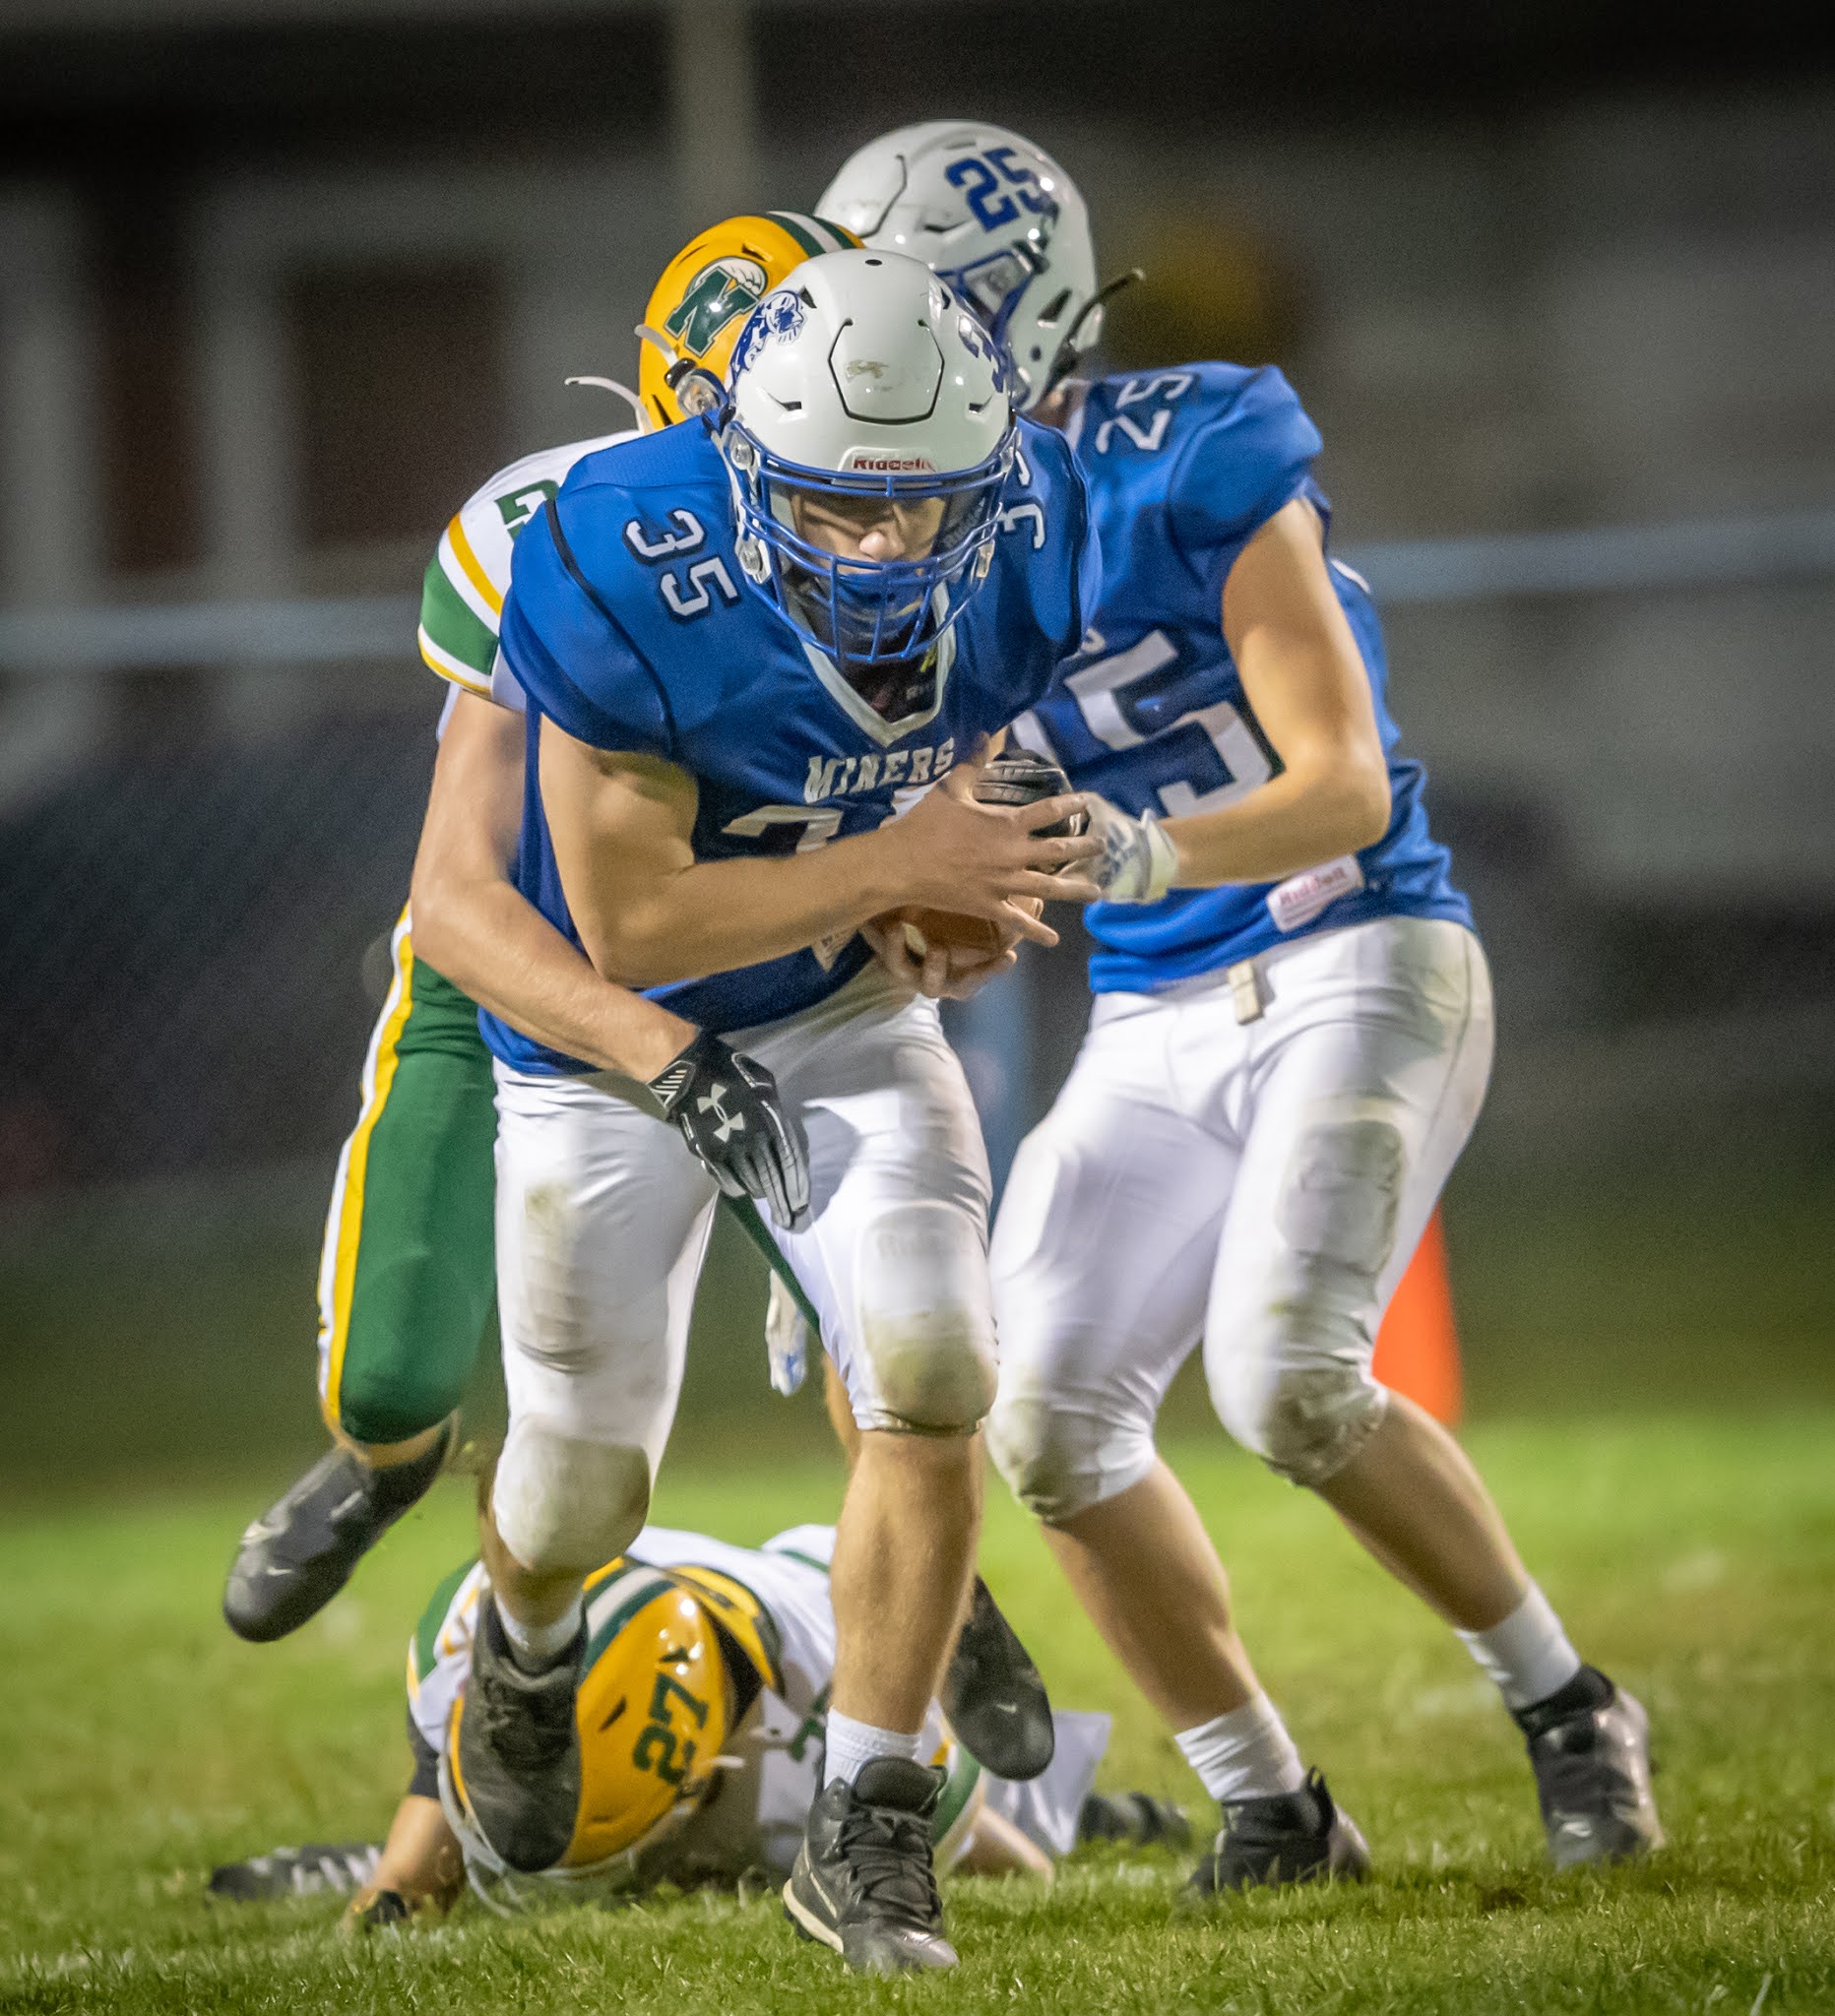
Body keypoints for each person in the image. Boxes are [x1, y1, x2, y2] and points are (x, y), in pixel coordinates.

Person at [820, 122, 1662, 1884]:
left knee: (1284, 1377)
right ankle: (1271, 1802)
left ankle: (1564, 1700)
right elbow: (962, 857)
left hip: (1355, 947)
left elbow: (1342, 783)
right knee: (1042, 1418)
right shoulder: (904, 547)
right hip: (1152, 1013)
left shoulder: (1183, 448)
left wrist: (1126, 855)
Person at [461, 246, 1102, 1975]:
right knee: (581, 1482)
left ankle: (871, 1821)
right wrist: (899, 857)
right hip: (605, 1049)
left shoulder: (1037, 529)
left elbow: (952, 745)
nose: (883, 551)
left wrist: (948, 887)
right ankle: (521, 1642)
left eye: (921, 514)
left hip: (830, 1010)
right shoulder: (614, 553)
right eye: (834, 511)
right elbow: (633, 922)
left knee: (934, 1360)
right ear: (747, 474)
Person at [221, 216, 855, 1646]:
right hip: (525, 959)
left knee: (888, 1313)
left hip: (754, 961)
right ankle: (384, 1463)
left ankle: (928, 1584)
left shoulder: (894, 533)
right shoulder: (549, 528)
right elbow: (462, 889)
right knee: (394, 1374)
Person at [207, 1509, 1185, 1922]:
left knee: (1013, 1816)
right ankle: (380, 1852)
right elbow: (443, 1749)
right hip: (719, 1615)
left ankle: (1100, 1807)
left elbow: (1018, 1870)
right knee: (445, 1856)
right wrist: (392, 1882)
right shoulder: (483, 1626)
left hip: (824, 1639)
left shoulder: (826, 1730)